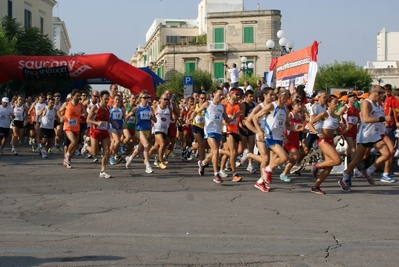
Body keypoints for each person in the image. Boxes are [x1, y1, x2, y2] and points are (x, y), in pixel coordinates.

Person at [340, 85, 392, 190]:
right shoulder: (366, 103)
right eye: (380, 93)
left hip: (376, 135)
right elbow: (367, 119)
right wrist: (383, 118)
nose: (382, 95)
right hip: (366, 135)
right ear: (373, 92)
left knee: (387, 154)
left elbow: (380, 121)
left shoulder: (379, 105)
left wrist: (384, 126)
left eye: (383, 93)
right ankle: (344, 177)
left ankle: (368, 171)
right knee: (357, 159)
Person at [252, 87, 303, 189]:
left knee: (273, 162)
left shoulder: (285, 108)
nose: (288, 96)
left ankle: (261, 181)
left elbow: (287, 125)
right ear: (279, 95)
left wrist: (295, 128)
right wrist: (258, 131)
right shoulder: (272, 106)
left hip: (279, 138)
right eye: (286, 94)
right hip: (269, 137)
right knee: (284, 157)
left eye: (288, 94)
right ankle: (267, 170)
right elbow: (254, 117)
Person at [188, 87, 241, 183]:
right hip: (209, 131)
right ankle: (216, 174)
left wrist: (234, 117)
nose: (221, 96)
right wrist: (191, 118)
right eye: (219, 94)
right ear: (214, 94)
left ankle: (203, 163)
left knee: (214, 152)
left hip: (218, 132)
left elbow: (226, 120)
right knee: (216, 151)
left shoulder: (222, 107)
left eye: (222, 95)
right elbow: (196, 111)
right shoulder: (208, 104)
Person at [308, 95, 350, 194]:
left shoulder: (335, 117)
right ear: (328, 104)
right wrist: (316, 132)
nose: (337, 105)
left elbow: (338, 133)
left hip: (331, 141)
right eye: (335, 103)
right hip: (323, 141)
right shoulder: (325, 114)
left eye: (338, 103)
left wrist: (347, 129)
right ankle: (316, 165)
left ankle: (315, 187)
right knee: (337, 160)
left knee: (328, 168)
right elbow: (310, 124)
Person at [86, 90, 115, 178]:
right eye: (105, 99)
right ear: (100, 99)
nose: (107, 101)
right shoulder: (95, 107)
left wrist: (113, 122)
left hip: (104, 131)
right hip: (95, 131)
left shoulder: (108, 108)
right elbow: (88, 120)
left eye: (108, 99)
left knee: (107, 151)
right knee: (95, 152)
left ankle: (103, 171)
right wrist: (97, 123)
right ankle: (86, 146)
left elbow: (106, 119)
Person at [125, 90, 156, 173]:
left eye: (147, 97)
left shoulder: (150, 108)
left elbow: (155, 120)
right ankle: (147, 166)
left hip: (147, 131)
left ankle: (130, 159)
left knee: (139, 149)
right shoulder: (137, 108)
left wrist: (152, 116)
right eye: (144, 98)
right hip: (139, 130)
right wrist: (124, 125)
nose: (146, 99)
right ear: (140, 99)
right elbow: (127, 116)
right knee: (146, 145)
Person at [57, 89, 86, 169]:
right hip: (68, 127)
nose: (78, 97)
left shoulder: (81, 105)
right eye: (77, 96)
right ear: (72, 96)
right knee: (73, 142)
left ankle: (67, 160)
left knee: (75, 145)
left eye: (79, 96)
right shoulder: (66, 104)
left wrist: (84, 115)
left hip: (77, 127)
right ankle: (67, 156)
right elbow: (58, 112)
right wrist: (61, 117)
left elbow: (86, 114)